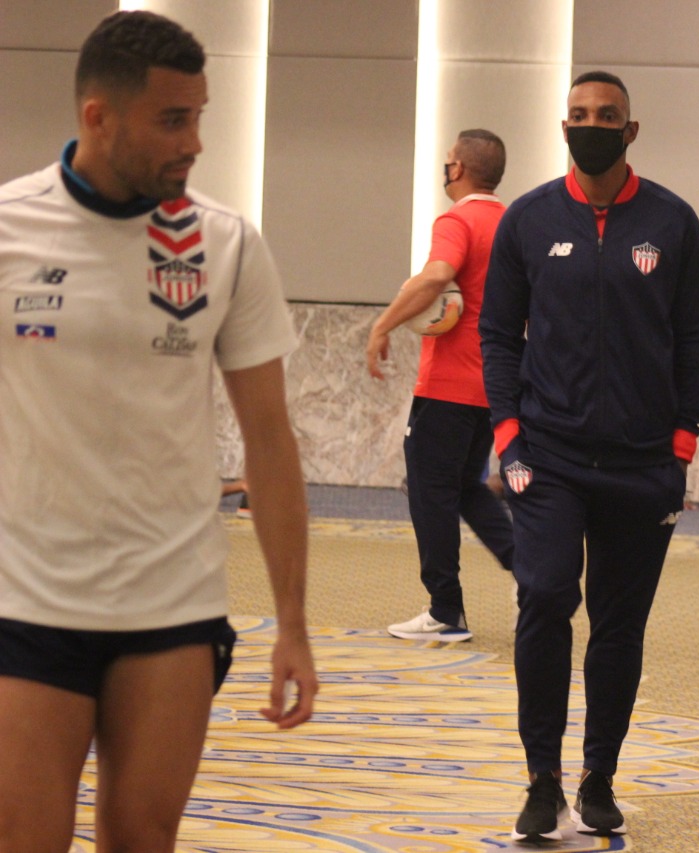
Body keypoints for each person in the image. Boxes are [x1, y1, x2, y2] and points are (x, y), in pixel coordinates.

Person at [0, 11, 317, 851]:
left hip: (171, 604)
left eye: (201, 116)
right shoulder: (7, 229)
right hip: (25, 597)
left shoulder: (225, 243)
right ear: (98, 116)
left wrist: (293, 622)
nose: (196, 142)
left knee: (143, 838)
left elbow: (271, 440)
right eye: (174, 119)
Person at [480, 70, 699, 841]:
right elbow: (497, 336)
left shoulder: (673, 222)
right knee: (545, 595)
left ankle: (599, 776)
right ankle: (541, 778)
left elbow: (694, 337)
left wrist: (683, 436)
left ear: (630, 129)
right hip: (546, 455)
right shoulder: (528, 220)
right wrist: (510, 433)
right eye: (579, 115)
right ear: (563, 126)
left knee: (620, 624)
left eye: (606, 116)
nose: (592, 125)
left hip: (644, 462)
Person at [367, 129, 514, 642]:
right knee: (465, 487)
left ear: (459, 170)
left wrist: (382, 325)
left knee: (429, 490)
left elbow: (437, 276)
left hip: (448, 384)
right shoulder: (512, 222)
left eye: (448, 161)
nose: (444, 168)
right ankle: (532, 573)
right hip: (493, 382)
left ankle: (445, 611)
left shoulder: (457, 220)